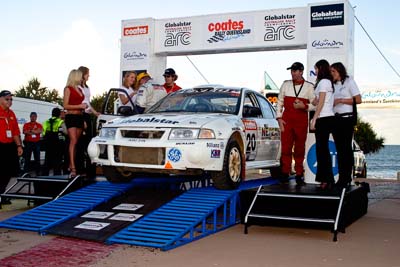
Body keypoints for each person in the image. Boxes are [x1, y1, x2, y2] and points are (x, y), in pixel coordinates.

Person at [276, 62, 315, 185]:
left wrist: (305, 106)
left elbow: (316, 104)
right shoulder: (286, 84)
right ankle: (285, 172)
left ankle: (299, 173)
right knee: (286, 148)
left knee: (299, 148)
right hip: (287, 120)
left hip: (301, 121)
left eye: (295, 71)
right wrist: (279, 118)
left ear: (301, 72)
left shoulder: (309, 87)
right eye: (292, 71)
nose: (292, 73)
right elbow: (279, 102)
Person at [331, 62, 362, 188]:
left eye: (333, 71)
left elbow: (358, 99)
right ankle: (341, 178)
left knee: (346, 149)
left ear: (339, 71)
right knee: (339, 150)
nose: (331, 74)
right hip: (336, 119)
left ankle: (347, 177)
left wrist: (341, 100)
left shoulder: (349, 82)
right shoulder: (332, 85)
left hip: (347, 119)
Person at [310, 59, 335, 189]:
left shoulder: (324, 82)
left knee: (322, 150)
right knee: (321, 150)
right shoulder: (322, 83)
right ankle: (326, 179)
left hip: (324, 118)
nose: (315, 71)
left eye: (316, 69)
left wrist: (314, 118)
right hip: (324, 117)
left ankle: (326, 179)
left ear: (321, 68)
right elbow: (318, 100)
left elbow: (322, 102)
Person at [0, 90, 23, 205]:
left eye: (11, 99)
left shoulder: (11, 114)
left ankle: (2, 193)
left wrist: (19, 145)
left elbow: (15, 132)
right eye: (7, 99)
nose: (9, 101)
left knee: (8, 171)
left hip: (9, 146)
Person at [63, 69, 87, 178]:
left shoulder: (80, 89)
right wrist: (79, 106)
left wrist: (84, 116)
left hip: (79, 117)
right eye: (80, 76)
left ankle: (72, 164)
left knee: (77, 142)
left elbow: (82, 105)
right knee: (73, 141)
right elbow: (65, 106)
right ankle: (73, 168)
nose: (82, 78)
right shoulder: (68, 89)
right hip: (71, 117)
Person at [77, 66, 98, 179]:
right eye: (87, 74)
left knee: (89, 142)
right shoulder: (77, 86)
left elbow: (88, 103)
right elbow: (80, 103)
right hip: (81, 115)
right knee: (81, 143)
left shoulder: (87, 87)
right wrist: (82, 119)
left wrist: (95, 113)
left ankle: (90, 170)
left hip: (87, 115)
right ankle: (79, 169)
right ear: (83, 74)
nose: (89, 76)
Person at [42, 107, 67, 176]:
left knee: (46, 162)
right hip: (57, 145)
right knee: (57, 162)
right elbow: (66, 132)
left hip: (48, 145)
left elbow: (43, 133)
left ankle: (44, 177)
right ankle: (57, 177)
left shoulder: (46, 122)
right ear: (59, 114)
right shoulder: (60, 122)